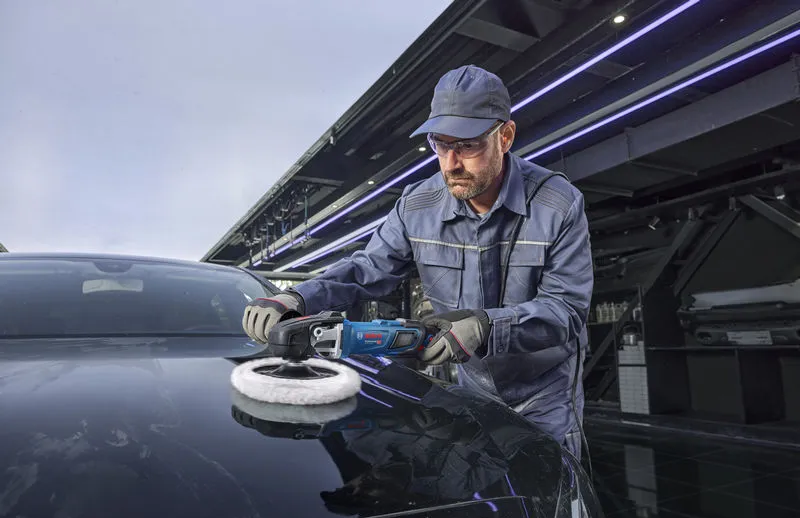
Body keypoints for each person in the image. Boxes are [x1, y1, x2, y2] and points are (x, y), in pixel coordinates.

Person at [242, 65, 594, 459]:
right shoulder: (415, 205)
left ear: (505, 136)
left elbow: (567, 310)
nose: (451, 163)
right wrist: (296, 299)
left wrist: (486, 326)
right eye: (440, 145)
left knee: (551, 485)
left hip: (545, 391)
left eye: (467, 145)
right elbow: (365, 269)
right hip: (472, 387)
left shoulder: (557, 204)